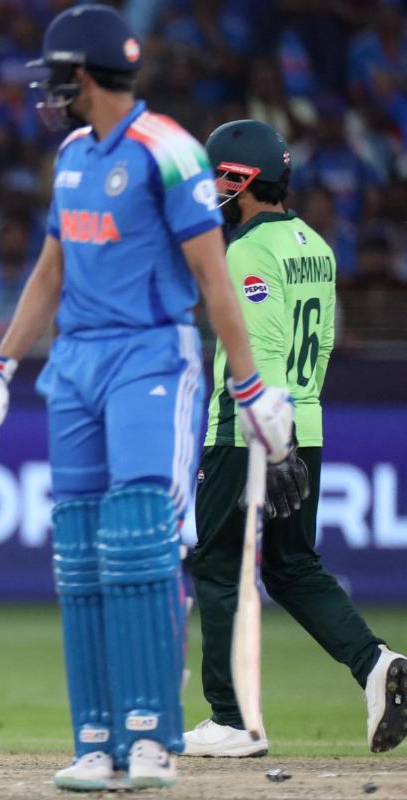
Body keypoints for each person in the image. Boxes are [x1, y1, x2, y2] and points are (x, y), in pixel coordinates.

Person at [0, 6, 296, 791]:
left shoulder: (168, 152)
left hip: (151, 358)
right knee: (77, 554)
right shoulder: (72, 153)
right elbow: (50, 270)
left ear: (84, 73)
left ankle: (150, 739)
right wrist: (0, 369)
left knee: (139, 540)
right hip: (73, 363)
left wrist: (249, 387)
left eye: (56, 78)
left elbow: (213, 277)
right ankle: (97, 740)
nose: (49, 93)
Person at [183, 118, 407, 758]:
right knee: (290, 563)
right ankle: (374, 665)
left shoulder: (246, 252)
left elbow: (263, 348)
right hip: (304, 421)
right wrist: (291, 433)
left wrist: (270, 442)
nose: (210, 190)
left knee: (220, 566)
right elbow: (325, 341)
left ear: (240, 179)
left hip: (249, 430)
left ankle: (231, 719)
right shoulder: (315, 244)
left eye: (216, 178)